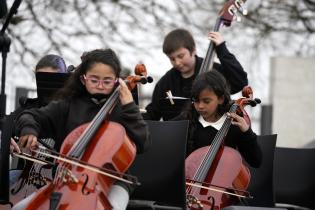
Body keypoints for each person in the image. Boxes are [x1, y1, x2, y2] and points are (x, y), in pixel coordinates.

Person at [11, 48, 150, 210]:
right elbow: (31, 116)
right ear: (83, 79)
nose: (100, 85)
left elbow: (144, 143)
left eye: (107, 81)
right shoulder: (68, 104)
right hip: (65, 180)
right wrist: (29, 130)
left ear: (116, 80)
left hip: (113, 183)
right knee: (20, 208)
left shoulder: (123, 109)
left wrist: (129, 106)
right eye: (94, 80)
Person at [0, 54, 67, 207]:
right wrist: (5, 140)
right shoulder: (29, 108)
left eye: (52, 79)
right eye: (41, 78)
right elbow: (8, 125)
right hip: (25, 177)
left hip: (57, 178)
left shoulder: (70, 110)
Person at [143, 28, 248, 121]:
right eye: (172, 59)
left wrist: (221, 49)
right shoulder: (165, 83)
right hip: (177, 141)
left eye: (181, 56)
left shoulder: (213, 72)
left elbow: (239, 82)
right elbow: (153, 114)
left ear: (193, 50)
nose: (177, 62)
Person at [175, 70, 262, 166]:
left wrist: (247, 132)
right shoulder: (186, 119)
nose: (200, 106)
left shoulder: (234, 124)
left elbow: (256, 161)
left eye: (206, 101)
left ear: (221, 99)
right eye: (196, 100)